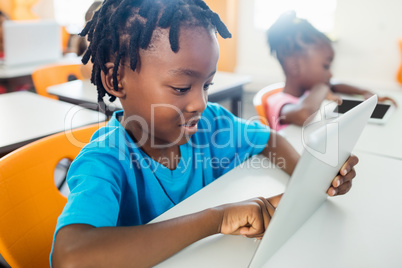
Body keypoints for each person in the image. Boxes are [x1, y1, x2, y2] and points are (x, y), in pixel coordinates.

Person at [51, 1, 358, 267]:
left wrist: (314, 176)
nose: (200, 102)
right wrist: (218, 218)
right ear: (116, 79)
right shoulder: (104, 161)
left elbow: (269, 139)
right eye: (182, 88)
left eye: (207, 85)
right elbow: (71, 257)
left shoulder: (210, 124)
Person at [265, 11, 397, 131]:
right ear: (294, 65)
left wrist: (365, 92)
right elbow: (303, 114)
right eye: (326, 66)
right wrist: (322, 87)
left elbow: (335, 85)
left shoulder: (307, 92)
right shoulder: (278, 102)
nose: (330, 74)